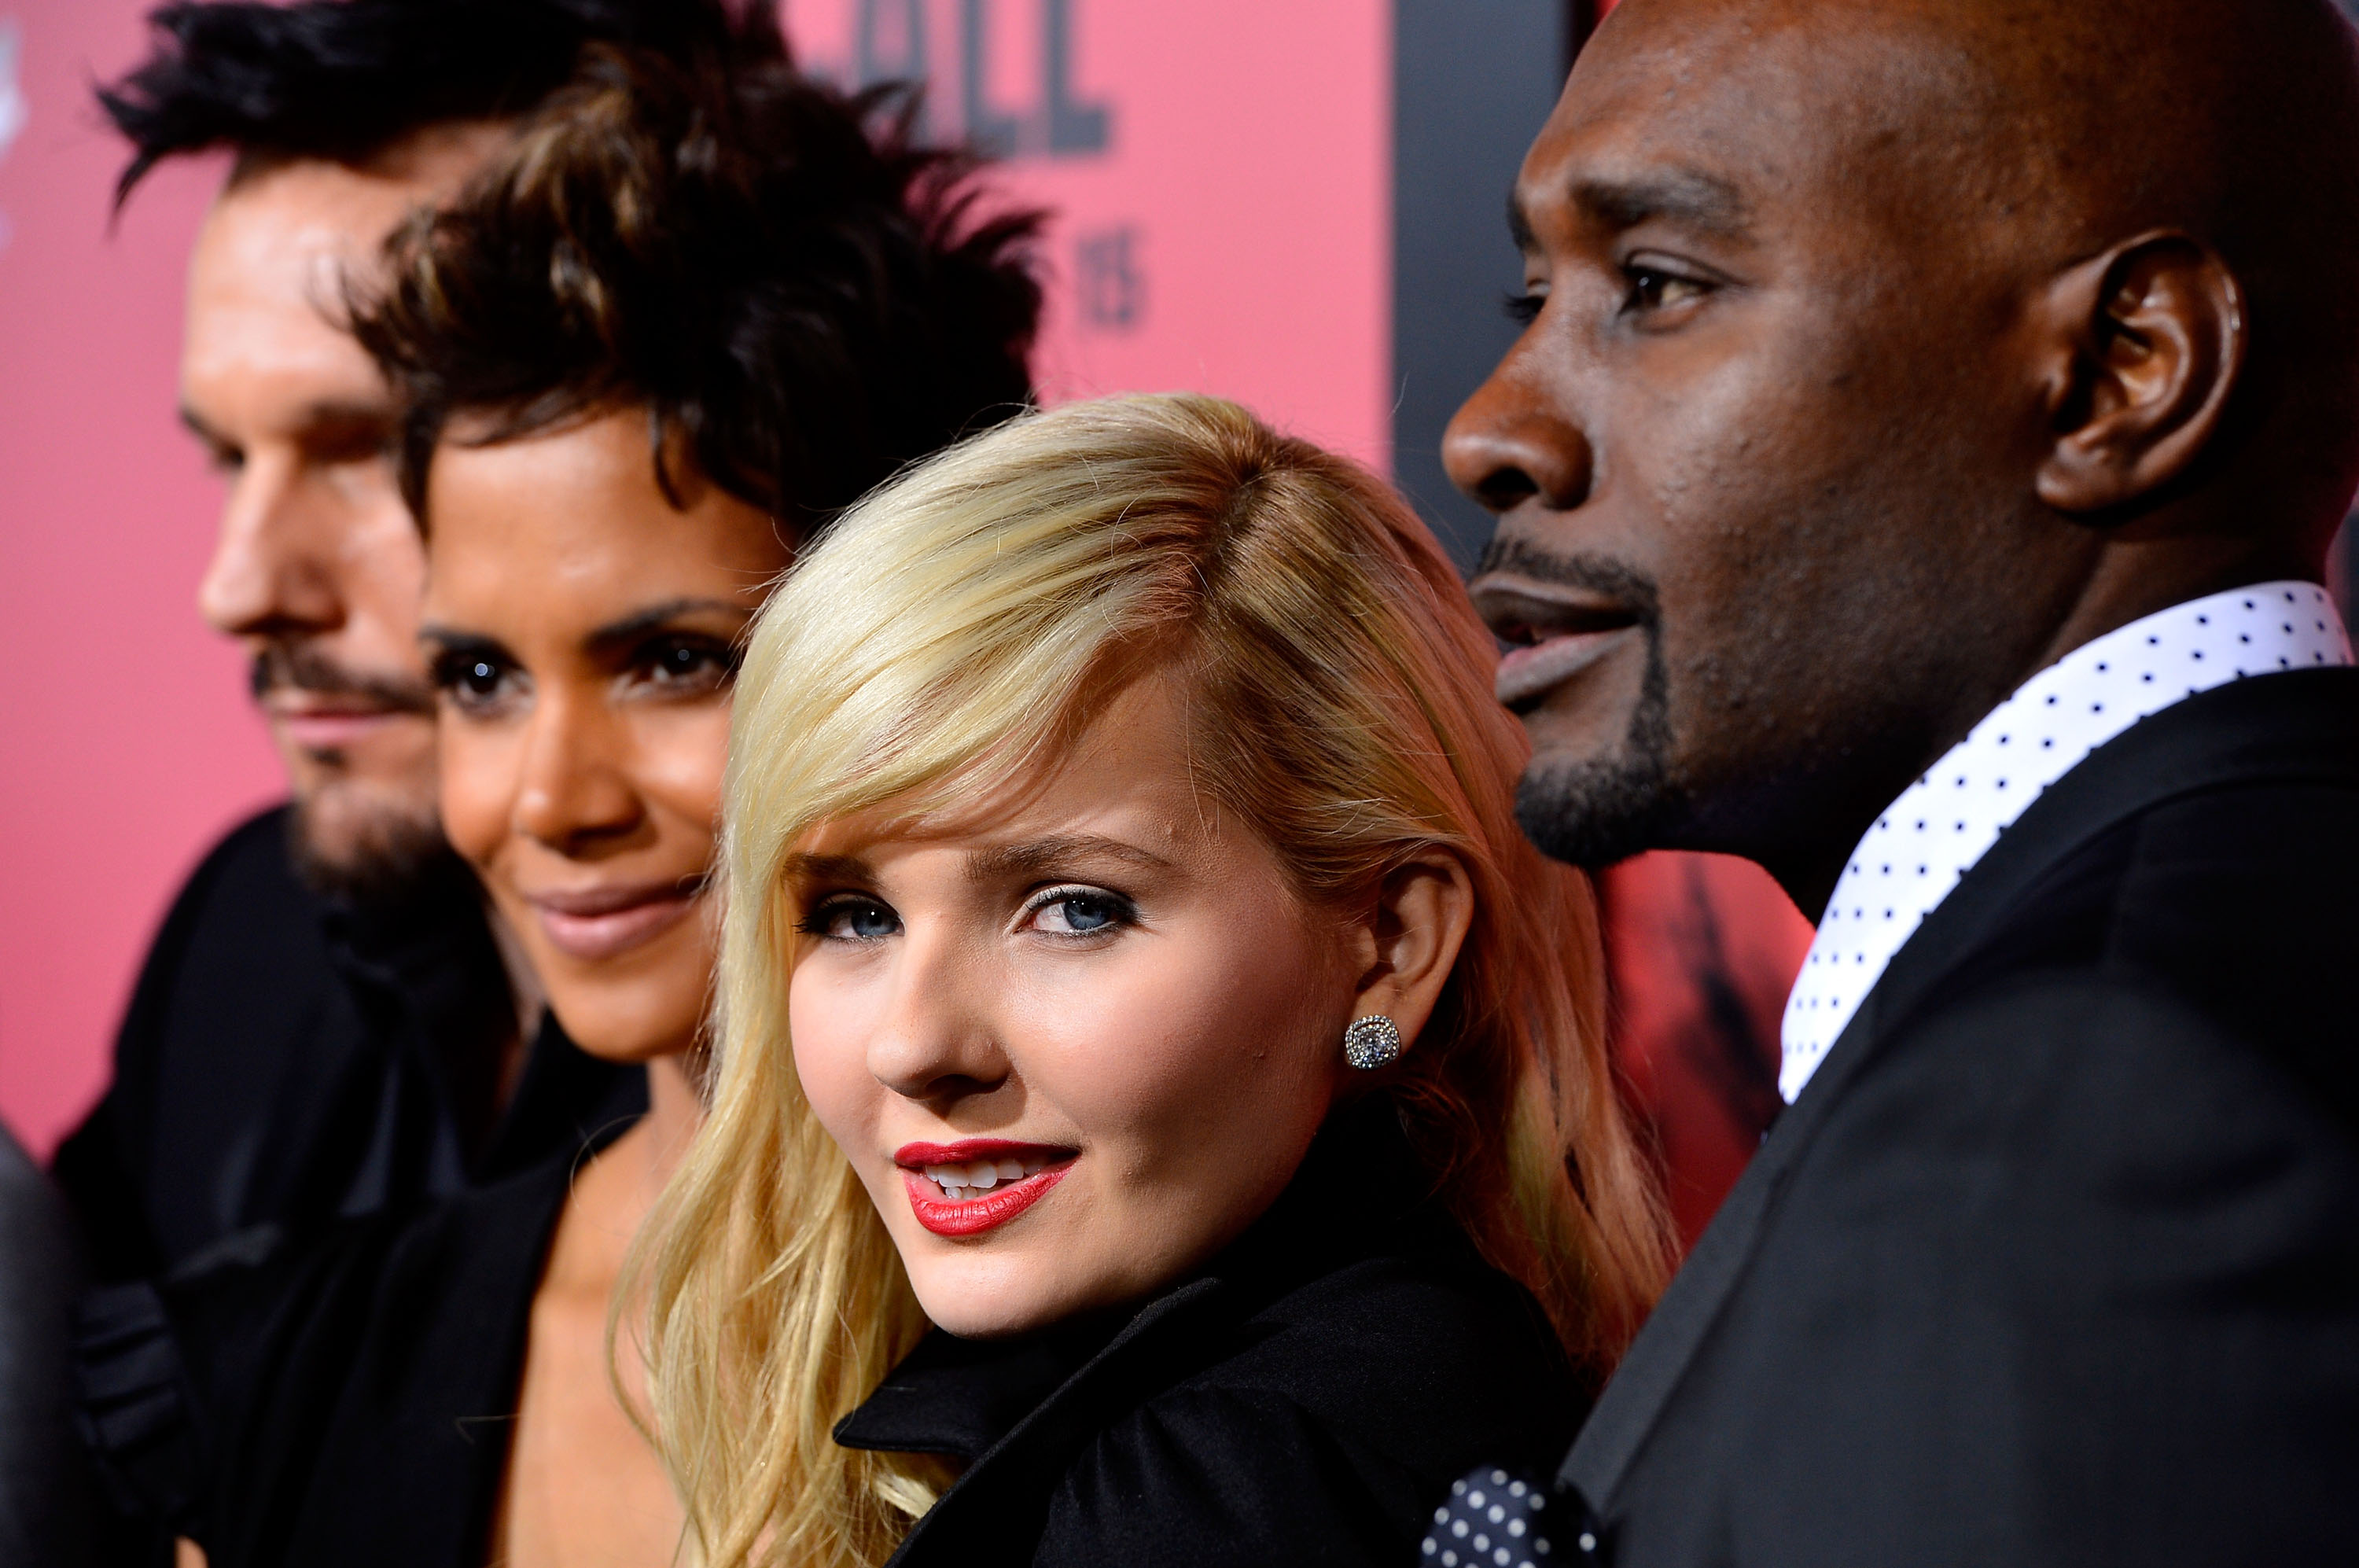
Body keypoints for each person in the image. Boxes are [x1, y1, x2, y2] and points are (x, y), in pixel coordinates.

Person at [77, 23, 1041, 1568]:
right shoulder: (250, 987)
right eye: (480, 678)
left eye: (671, 660)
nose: (236, 585)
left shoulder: (1171, 1353)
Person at [1437, 0, 2359, 1562]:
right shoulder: (2195, 979)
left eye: (1652, 288)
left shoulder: (2093, 1124)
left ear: (2122, 372)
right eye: (1535, 295)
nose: (1490, 430)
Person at [634, 392, 1676, 1568]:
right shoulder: (1408, 1389)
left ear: (1388, 945)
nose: (913, 1042)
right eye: (854, 913)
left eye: (1077, 908)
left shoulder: (1216, 1493)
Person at [53, 0, 743, 1287]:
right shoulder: (248, 932)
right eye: (227, 457)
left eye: (365, 447)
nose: (241, 587)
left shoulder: (929, 1075)